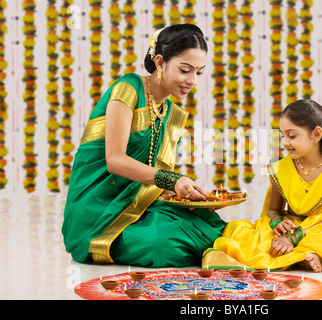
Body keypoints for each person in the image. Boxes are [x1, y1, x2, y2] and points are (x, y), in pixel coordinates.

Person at [62, 24, 227, 267]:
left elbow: (151, 173)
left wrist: (181, 192)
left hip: (136, 200)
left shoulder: (171, 113)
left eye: (199, 72)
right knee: (163, 243)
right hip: (96, 209)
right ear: (160, 62)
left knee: (210, 222)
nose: (192, 81)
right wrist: (173, 180)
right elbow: (115, 161)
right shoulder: (128, 89)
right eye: (185, 70)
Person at [203, 99, 322, 272]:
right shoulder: (282, 168)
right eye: (282, 136)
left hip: (320, 229)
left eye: (292, 136)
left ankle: (307, 254)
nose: (285, 143)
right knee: (240, 231)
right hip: (290, 227)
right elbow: (273, 210)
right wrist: (277, 223)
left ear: (316, 134)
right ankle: (306, 257)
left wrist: (294, 237)